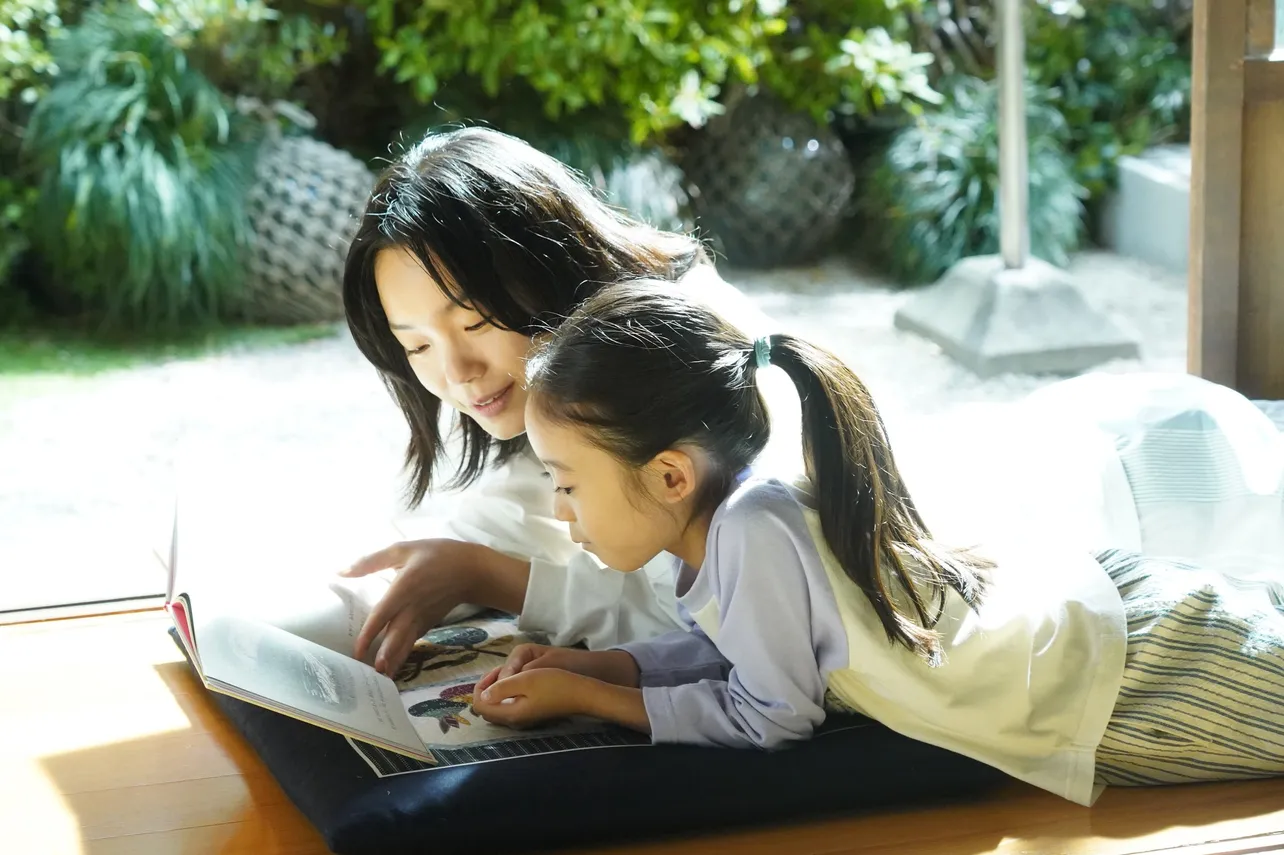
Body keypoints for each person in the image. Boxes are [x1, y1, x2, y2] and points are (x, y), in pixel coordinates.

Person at [470, 280, 1284, 807]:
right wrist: (606, 664)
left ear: (671, 476)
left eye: (567, 481)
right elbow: (747, 657)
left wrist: (590, 697)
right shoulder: (737, 525)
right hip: (1105, 639)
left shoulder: (755, 529)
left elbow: (768, 716)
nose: (559, 506)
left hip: (1136, 674)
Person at [338, 126, 803, 676]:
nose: (457, 373)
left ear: (549, 270)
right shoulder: (577, 378)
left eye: (476, 322)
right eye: (416, 344)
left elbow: (707, 622)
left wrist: (484, 575)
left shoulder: (678, 360)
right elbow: (512, 517)